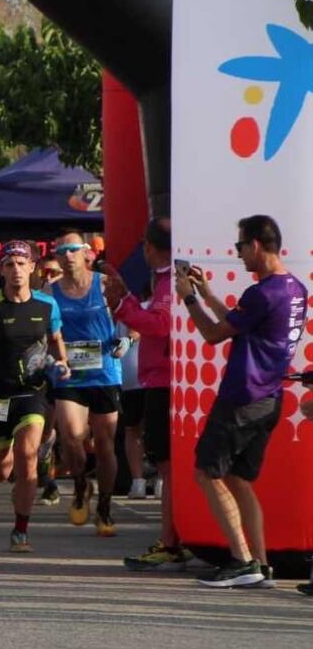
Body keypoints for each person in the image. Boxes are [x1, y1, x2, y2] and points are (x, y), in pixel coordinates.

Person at [179, 215, 305, 588]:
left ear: (255, 245)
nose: (238, 256)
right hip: (268, 397)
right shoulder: (293, 288)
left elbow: (215, 333)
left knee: (206, 472)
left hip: (242, 398)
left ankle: (241, 559)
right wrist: (205, 292)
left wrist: (187, 297)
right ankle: (261, 564)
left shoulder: (263, 292)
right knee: (238, 480)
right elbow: (237, 320)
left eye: (239, 248)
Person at [0, 242, 72, 553]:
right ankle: (1, 474)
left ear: (32, 268)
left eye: (21, 264)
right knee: (1, 472)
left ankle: (21, 529)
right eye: (9, 265)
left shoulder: (46, 305)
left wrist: (61, 361)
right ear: (0, 270)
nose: (16, 270)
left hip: (32, 393)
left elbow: (55, 340)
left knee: (27, 457)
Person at [108, 219, 194, 571]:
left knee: (168, 466)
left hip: (167, 380)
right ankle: (175, 538)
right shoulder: (166, 277)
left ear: (149, 246)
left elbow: (161, 324)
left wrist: (123, 305)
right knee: (167, 464)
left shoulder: (171, 278)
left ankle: (172, 543)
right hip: (165, 378)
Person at [47, 230, 124, 536]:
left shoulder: (104, 284)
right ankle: (80, 485)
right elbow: (49, 332)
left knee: (105, 444)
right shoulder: (50, 290)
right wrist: (54, 357)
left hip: (105, 372)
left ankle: (104, 507)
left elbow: (131, 317)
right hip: (69, 374)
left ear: (86, 253)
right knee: (71, 435)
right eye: (61, 251)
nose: (67, 256)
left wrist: (128, 339)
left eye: (73, 249)